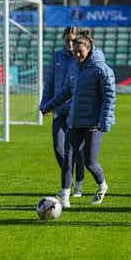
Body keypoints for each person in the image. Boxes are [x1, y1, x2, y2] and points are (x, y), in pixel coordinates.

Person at [41, 30, 115, 208]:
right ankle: (65, 196)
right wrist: (49, 105)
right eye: (74, 52)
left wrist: (104, 121)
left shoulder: (102, 69)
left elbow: (109, 97)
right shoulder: (74, 67)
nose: (76, 55)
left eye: (80, 51)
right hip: (74, 121)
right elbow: (66, 92)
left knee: (90, 162)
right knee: (68, 158)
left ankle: (102, 185)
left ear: (89, 50)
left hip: (93, 124)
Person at [40, 27, 86, 198]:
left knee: (77, 150)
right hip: (59, 110)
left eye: (73, 40)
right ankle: (69, 177)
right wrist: (45, 103)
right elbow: (50, 81)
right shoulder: (57, 57)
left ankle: (78, 183)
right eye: (67, 40)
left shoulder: (81, 58)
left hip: (76, 110)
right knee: (59, 148)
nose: (69, 43)